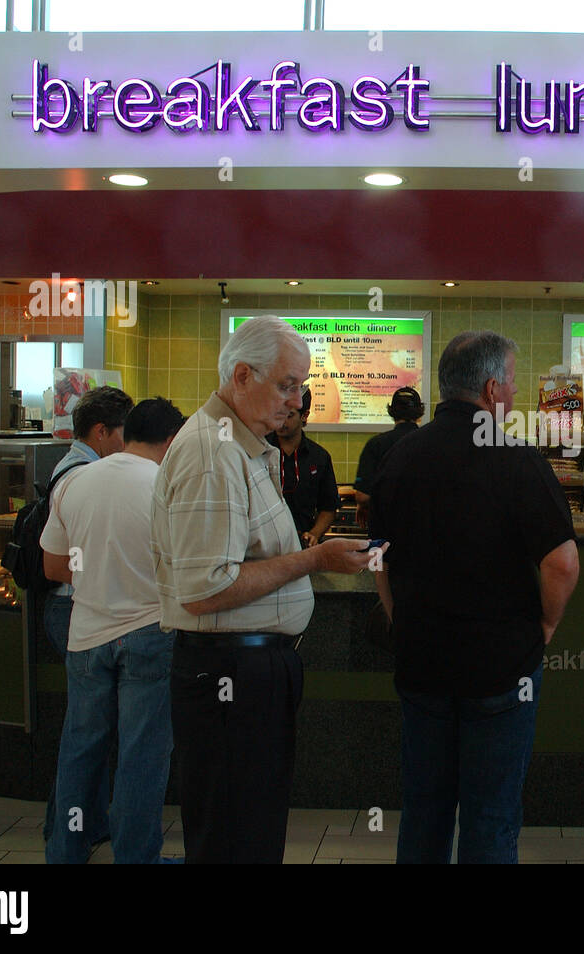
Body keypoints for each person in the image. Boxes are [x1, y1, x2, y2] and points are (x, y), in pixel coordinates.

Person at [152, 315, 372, 863]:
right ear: (242, 376)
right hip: (229, 675)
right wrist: (314, 558)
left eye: (301, 386)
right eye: (286, 385)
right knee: (235, 833)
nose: (296, 401)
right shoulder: (213, 454)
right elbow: (205, 589)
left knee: (252, 825)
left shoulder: (243, 444)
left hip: (249, 671)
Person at [369, 331, 579, 864]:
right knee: (490, 814)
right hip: (501, 669)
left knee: (424, 810)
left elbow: (378, 557)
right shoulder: (518, 459)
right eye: (511, 381)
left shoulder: (399, 455)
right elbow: (562, 562)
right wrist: (545, 628)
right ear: (491, 389)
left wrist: (400, 619)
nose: (513, 392)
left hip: (421, 667)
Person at [41, 398, 186, 864]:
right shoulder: (168, 485)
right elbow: (188, 568)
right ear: (170, 441)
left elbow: (53, 565)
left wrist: (99, 575)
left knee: (80, 748)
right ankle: (136, 857)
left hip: (85, 634)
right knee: (141, 756)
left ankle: (64, 851)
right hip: (150, 632)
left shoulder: (77, 480)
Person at [39, 384, 130, 847]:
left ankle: (84, 826)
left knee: (92, 731)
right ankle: (65, 833)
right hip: (72, 608)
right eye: (122, 434)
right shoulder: (78, 475)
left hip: (77, 608)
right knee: (86, 733)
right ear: (101, 432)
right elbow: (60, 563)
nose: (128, 445)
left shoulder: (77, 468)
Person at [266, 391, 340, 547]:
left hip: (302, 545)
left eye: (289, 415)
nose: (281, 421)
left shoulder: (319, 457)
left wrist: (315, 534)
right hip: (264, 545)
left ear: (304, 416)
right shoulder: (259, 451)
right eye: (278, 413)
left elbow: (328, 507)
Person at [353, 386, 424, 528]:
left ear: (392, 411)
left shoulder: (376, 444)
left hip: (386, 530)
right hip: (423, 529)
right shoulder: (431, 443)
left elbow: (362, 496)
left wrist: (363, 506)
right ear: (419, 412)